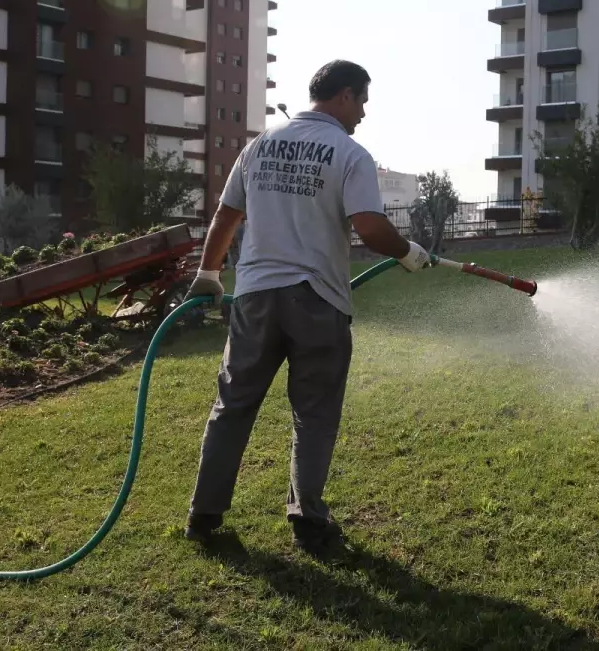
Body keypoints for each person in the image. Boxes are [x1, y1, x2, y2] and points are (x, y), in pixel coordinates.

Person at [182, 60, 430, 555]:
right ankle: (308, 523)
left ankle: (204, 516)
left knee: (232, 407)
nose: (362, 114)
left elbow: (226, 215)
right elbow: (369, 226)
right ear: (343, 95)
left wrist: (209, 274)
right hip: (317, 300)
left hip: (254, 297)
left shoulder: (258, 145)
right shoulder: (350, 153)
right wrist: (407, 251)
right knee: (314, 414)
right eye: (361, 101)